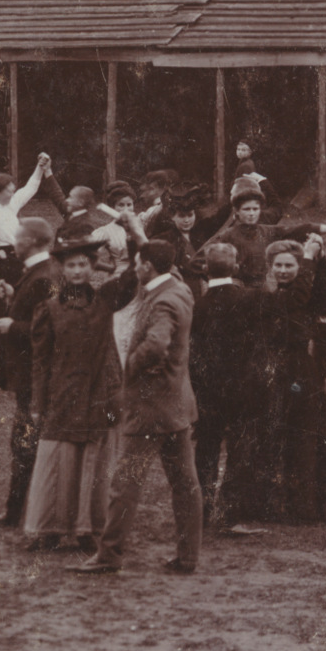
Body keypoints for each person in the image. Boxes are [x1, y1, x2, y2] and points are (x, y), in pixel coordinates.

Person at [71, 240, 204, 575]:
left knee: (125, 484)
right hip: (176, 406)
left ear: (147, 266)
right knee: (185, 484)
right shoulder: (178, 289)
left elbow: (157, 344)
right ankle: (188, 556)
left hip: (149, 409)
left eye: (137, 263)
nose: (134, 268)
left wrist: (130, 368)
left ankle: (109, 555)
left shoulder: (163, 301)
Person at [24, 238, 136, 551]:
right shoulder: (49, 309)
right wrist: (38, 403)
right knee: (57, 460)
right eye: (71, 265)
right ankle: (50, 529)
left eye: (83, 264)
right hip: (63, 394)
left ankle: (88, 529)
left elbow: (132, 278)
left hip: (100, 393)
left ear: (93, 267)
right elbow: (40, 361)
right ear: (62, 269)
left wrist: (132, 235)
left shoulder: (105, 300)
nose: (77, 271)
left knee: (95, 460)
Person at [190, 243, 268, 530]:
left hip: (209, 387)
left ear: (205, 269)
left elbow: (194, 351)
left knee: (207, 447)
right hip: (244, 385)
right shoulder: (251, 299)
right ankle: (230, 512)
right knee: (240, 447)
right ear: (236, 267)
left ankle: (203, 508)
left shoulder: (199, 305)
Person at [0, 217, 58, 530]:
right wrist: (12, 299)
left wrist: (13, 326)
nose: (13, 243)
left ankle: (19, 512)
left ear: (30, 241)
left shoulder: (43, 277)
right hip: (30, 374)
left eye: (17, 237)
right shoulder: (39, 272)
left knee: (25, 444)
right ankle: (19, 510)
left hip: (34, 375)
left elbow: (51, 329)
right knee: (24, 443)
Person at [262, 236, 326, 523]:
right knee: (283, 434)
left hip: (300, 366)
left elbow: (319, 291)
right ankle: (286, 501)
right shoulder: (274, 294)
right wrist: (309, 259)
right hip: (279, 366)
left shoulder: (299, 292)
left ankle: (305, 505)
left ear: (299, 268)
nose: (283, 270)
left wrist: (317, 260)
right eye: (278, 265)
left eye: (289, 265)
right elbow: (299, 296)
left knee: (304, 434)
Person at [0, 154, 52, 388]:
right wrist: (2, 256)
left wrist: (40, 167)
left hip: (16, 261)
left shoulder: (10, 205)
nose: (13, 191)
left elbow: (30, 188)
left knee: (18, 312)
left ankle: (13, 371)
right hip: (4, 266)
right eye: (9, 189)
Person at [205, 177, 315, 288]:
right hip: (239, 288)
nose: (251, 213)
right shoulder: (229, 233)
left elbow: (292, 229)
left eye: (255, 209)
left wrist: (322, 228)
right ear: (237, 210)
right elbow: (203, 259)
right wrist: (225, 281)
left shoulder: (265, 228)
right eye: (247, 209)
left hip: (261, 287)